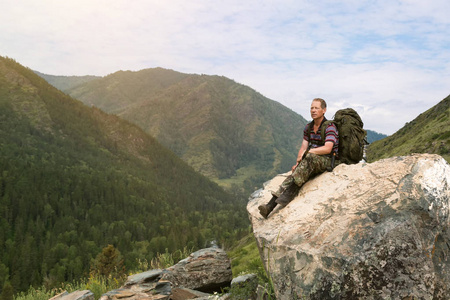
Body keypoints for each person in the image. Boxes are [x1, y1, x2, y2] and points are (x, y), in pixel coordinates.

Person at [258, 98, 339, 218]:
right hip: (311, 161)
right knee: (297, 171)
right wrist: (298, 163)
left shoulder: (330, 127)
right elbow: (303, 147)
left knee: (309, 159)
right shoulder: (309, 127)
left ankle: (285, 196)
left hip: (327, 160)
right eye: (312, 108)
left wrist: (309, 153)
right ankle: (269, 206)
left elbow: (327, 148)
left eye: (317, 108)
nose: (313, 110)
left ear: (324, 110)